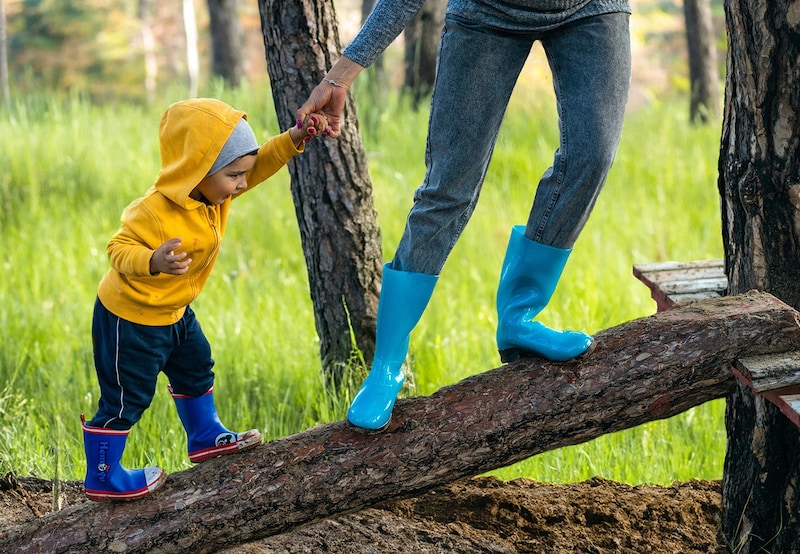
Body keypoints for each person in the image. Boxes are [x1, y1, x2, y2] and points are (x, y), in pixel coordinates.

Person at [297, 0, 631, 431]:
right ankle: (386, 366)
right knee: (448, 188)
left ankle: (519, 317)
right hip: (486, 14)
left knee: (592, 158)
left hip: (591, 10)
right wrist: (340, 76)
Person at [82, 98, 328, 501]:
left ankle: (204, 436)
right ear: (198, 169)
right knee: (127, 397)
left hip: (176, 312)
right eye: (234, 176)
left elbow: (259, 163)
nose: (242, 184)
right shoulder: (154, 211)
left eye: (242, 175)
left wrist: (294, 138)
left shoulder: (215, 193)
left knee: (196, 366)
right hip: (132, 318)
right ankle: (103, 475)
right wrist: (152, 260)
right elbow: (117, 248)